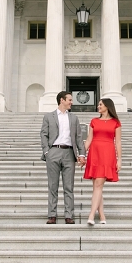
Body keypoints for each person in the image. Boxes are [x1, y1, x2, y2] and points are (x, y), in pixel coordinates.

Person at [40, 91, 86, 224]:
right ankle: (52, 215)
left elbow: (78, 137)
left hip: (69, 153)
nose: (72, 102)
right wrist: (47, 152)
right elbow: (44, 134)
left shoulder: (73, 118)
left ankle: (69, 215)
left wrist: (82, 154)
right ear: (62, 100)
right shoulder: (49, 116)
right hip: (53, 151)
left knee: (69, 186)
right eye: (69, 100)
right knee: (52, 186)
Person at [83, 98, 122, 225]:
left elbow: (118, 142)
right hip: (95, 153)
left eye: (100, 104)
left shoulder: (115, 122)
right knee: (96, 186)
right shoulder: (94, 121)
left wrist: (119, 159)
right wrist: (82, 154)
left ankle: (91, 215)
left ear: (107, 106)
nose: (98, 106)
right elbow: (89, 139)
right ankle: (102, 215)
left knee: (99, 184)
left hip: (107, 154)